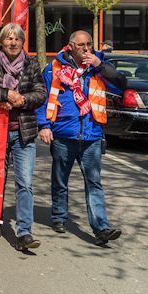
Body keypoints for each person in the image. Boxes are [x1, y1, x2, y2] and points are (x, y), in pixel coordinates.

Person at [37, 31, 126, 246]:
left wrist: (99, 65)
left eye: (89, 44)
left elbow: (121, 84)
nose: (86, 49)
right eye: (81, 45)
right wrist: (44, 125)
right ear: (70, 47)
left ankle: (101, 228)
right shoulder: (54, 69)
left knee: (94, 183)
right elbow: (42, 96)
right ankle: (59, 216)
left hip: (91, 135)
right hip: (63, 133)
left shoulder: (99, 67)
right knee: (60, 180)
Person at [0, 23, 47, 252]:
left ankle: (24, 232)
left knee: (24, 183)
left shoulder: (31, 63)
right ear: (1, 42)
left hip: (23, 131)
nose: (13, 42)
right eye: (9, 39)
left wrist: (22, 100)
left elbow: (41, 93)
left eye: (17, 39)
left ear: (23, 42)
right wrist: (5, 94)